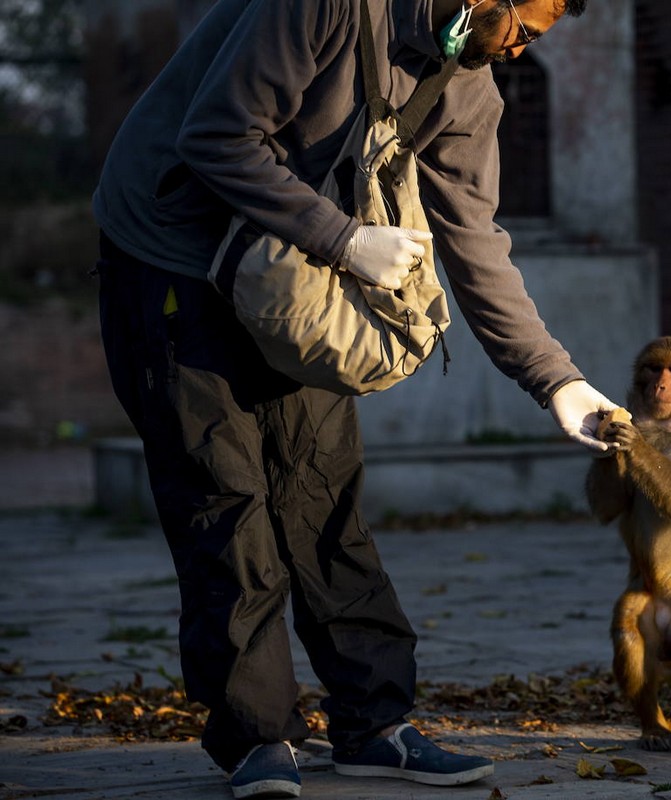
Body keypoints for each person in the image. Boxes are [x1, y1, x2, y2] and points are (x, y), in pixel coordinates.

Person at [90, 1, 614, 797]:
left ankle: (374, 725)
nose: (516, 49)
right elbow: (216, 135)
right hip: (173, 253)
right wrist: (344, 239)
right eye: (525, 28)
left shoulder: (466, 87)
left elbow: (475, 240)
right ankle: (257, 738)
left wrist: (556, 380)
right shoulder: (328, 5)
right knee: (226, 501)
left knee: (323, 493)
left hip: (290, 274)